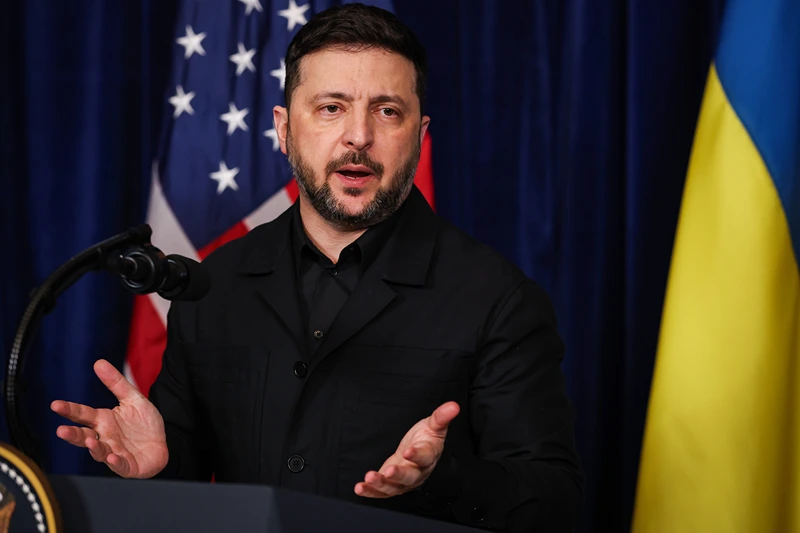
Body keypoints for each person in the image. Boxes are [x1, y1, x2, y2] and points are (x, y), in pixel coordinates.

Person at [51, 4, 584, 531]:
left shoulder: (499, 299)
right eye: (331, 107)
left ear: (419, 138)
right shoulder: (217, 282)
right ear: (284, 129)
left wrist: (442, 480)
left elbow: (555, 503)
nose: (358, 135)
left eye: (387, 110)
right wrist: (158, 469)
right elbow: (187, 488)